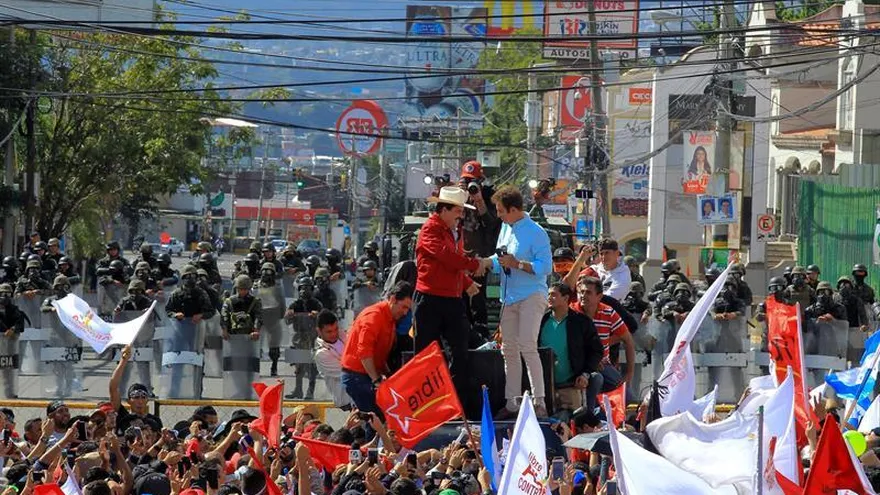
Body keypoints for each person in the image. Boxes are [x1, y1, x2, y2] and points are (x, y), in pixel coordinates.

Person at [413, 186, 492, 399]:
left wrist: (466, 282)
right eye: (457, 211)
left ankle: (455, 401)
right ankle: (426, 400)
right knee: (426, 352)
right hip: (430, 298)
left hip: (451, 299)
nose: (461, 215)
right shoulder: (430, 229)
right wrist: (475, 264)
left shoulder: (454, 231)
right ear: (444, 210)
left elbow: (450, 264)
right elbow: (446, 257)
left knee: (459, 351)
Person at [487, 185, 553, 419]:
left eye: (501, 211)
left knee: (527, 345)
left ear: (514, 209)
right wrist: (484, 263)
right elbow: (499, 259)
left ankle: (539, 402)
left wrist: (518, 264)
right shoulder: (506, 227)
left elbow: (546, 268)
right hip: (509, 297)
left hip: (532, 295)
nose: (499, 215)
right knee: (509, 350)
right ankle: (512, 403)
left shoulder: (536, 232)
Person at [341, 281, 413, 416]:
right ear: (392, 299)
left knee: (377, 419)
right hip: (357, 376)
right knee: (375, 420)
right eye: (403, 307)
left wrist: (388, 376)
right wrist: (376, 380)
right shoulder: (374, 316)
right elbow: (364, 353)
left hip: (364, 376)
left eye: (408, 309)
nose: (405, 312)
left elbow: (379, 354)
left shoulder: (389, 319)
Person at [538, 283, 604, 414]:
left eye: (554, 295)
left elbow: (596, 351)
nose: (549, 298)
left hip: (571, 387)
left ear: (566, 298)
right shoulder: (540, 321)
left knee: (573, 425)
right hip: (543, 389)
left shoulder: (581, 322)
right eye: (548, 295)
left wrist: (585, 374)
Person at [458, 161, 501, 341]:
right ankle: (462, 326)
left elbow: (492, 225)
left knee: (478, 295)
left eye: (474, 182)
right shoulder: (456, 196)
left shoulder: (489, 196)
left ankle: (481, 330)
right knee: (459, 295)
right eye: (467, 182)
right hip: (459, 255)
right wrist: (460, 195)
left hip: (480, 255)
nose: (471, 186)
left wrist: (480, 201)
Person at [575, 276, 636, 392]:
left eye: (588, 292)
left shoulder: (608, 312)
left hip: (603, 365)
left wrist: (629, 374)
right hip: (578, 365)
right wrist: (592, 362)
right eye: (581, 292)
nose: (583, 296)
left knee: (625, 394)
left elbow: (628, 340)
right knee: (597, 380)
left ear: (599, 297)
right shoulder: (572, 312)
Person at [285, 276, 322, 400]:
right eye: (302, 288)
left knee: (311, 366)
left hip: (312, 337)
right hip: (298, 337)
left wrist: (317, 315)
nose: (304, 291)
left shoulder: (316, 303)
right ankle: (298, 390)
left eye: (307, 288)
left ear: (311, 289)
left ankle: (310, 391)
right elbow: (286, 320)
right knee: (298, 366)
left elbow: (323, 318)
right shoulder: (295, 304)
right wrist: (289, 315)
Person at [313, 309, 352, 409]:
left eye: (336, 329)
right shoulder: (321, 354)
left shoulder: (344, 335)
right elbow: (347, 371)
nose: (334, 334)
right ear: (319, 330)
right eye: (329, 332)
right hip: (347, 400)